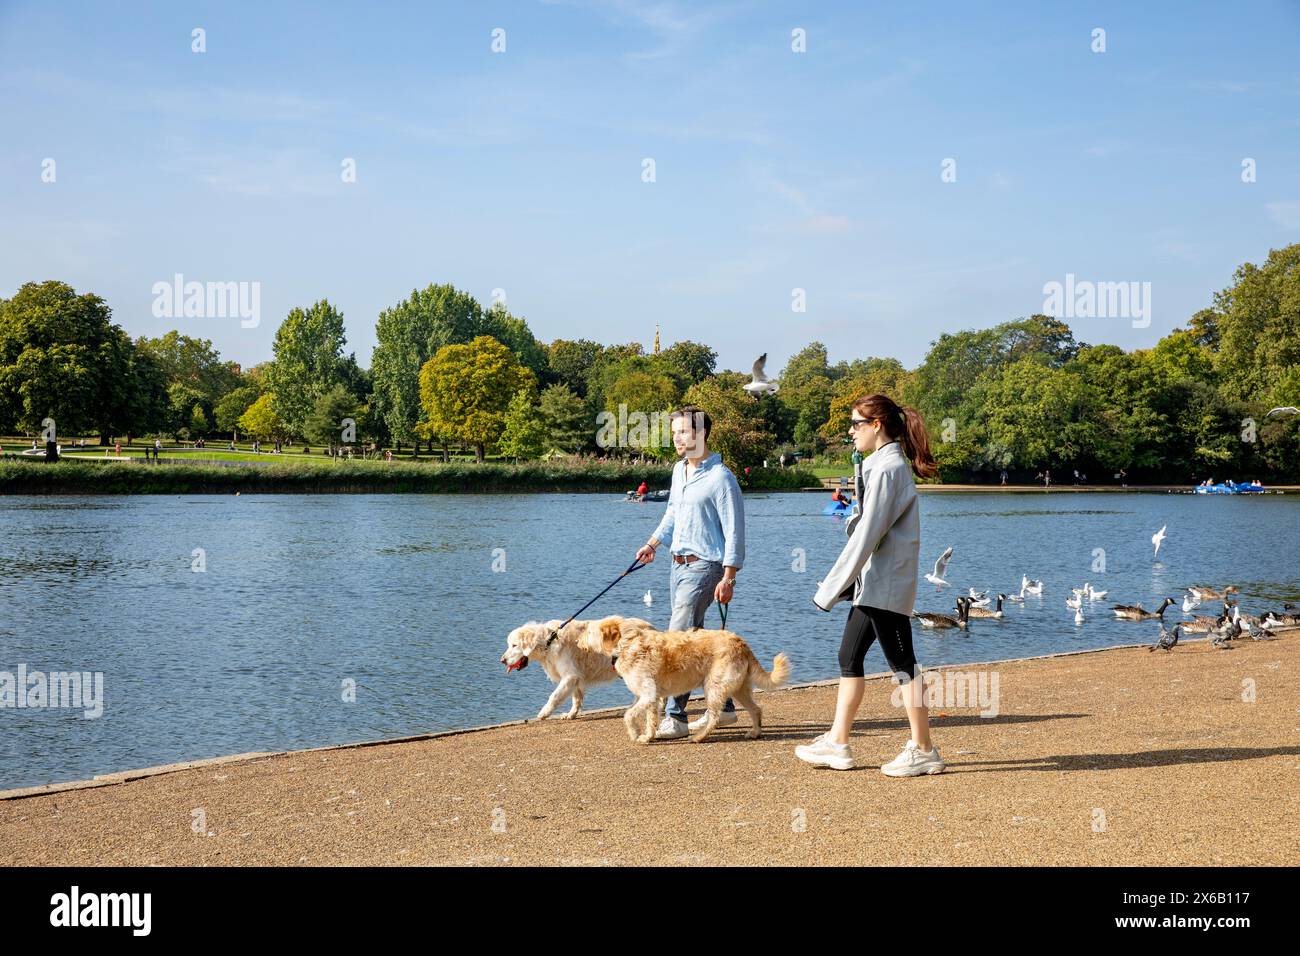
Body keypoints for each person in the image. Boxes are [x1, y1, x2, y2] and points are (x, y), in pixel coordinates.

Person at [798, 393, 944, 776]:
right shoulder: (879, 465)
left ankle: (924, 749)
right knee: (849, 656)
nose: (850, 431)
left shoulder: (888, 467)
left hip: (886, 584)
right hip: (874, 583)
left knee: (903, 665)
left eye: (855, 423)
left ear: (876, 425)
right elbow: (867, 525)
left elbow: (868, 535)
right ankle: (839, 743)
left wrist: (830, 588)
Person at [635, 406, 745, 738]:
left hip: (706, 566)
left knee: (675, 641)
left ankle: (676, 716)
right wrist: (653, 542)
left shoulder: (721, 478)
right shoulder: (679, 470)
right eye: (674, 433)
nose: (677, 438)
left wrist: (729, 577)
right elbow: (672, 512)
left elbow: (735, 531)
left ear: (701, 434)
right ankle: (724, 708)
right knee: (693, 639)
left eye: (683, 432)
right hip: (676, 564)